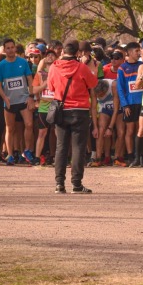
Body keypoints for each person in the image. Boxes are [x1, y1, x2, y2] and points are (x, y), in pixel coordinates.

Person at [47, 40, 98, 194]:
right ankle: (76, 184)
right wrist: (92, 69)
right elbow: (93, 84)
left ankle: (59, 184)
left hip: (61, 110)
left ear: (63, 51)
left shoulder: (54, 67)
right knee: (78, 148)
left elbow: (51, 87)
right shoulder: (82, 68)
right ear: (77, 53)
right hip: (80, 110)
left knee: (61, 147)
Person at [0, 38, 36, 165]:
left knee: (29, 124)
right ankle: (10, 155)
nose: (11, 50)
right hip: (9, 102)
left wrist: (30, 96)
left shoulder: (23, 62)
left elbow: (29, 79)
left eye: (13, 47)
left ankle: (27, 150)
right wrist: (5, 98)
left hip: (23, 99)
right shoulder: (1, 65)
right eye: (8, 48)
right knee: (10, 128)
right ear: (5, 50)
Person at [116, 42, 143, 167]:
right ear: (129, 52)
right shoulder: (122, 68)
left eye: (139, 51)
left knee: (141, 129)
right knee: (130, 130)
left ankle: (141, 155)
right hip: (130, 104)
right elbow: (120, 88)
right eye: (136, 51)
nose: (138, 53)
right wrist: (125, 105)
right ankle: (131, 155)